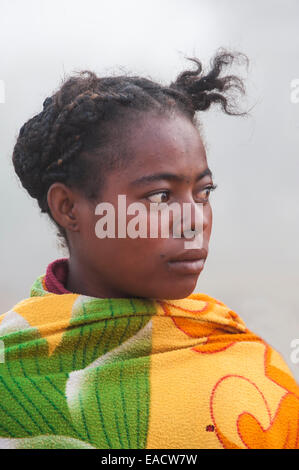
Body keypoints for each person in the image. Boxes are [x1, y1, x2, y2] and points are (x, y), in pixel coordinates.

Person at [1, 50, 298, 449]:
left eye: (203, 192)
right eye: (160, 197)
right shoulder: (10, 373)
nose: (195, 220)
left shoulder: (250, 369)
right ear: (68, 207)